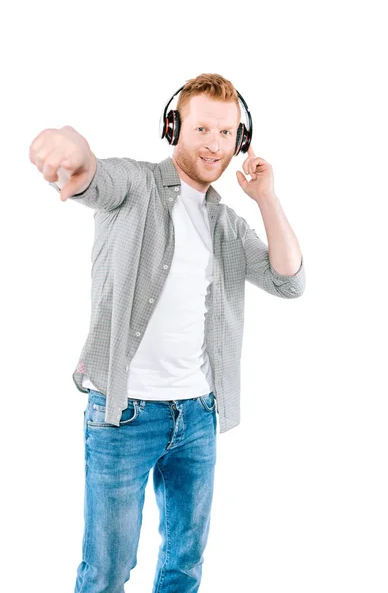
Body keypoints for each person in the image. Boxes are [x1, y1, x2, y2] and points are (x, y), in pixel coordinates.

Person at [29, 73, 305, 592]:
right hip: (124, 415)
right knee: (107, 571)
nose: (214, 144)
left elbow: (289, 281)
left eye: (227, 133)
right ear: (173, 127)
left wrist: (265, 196)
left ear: (241, 140)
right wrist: (77, 155)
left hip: (198, 415)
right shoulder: (136, 185)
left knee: (184, 566)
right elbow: (95, 178)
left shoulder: (225, 224)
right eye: (202, 128)